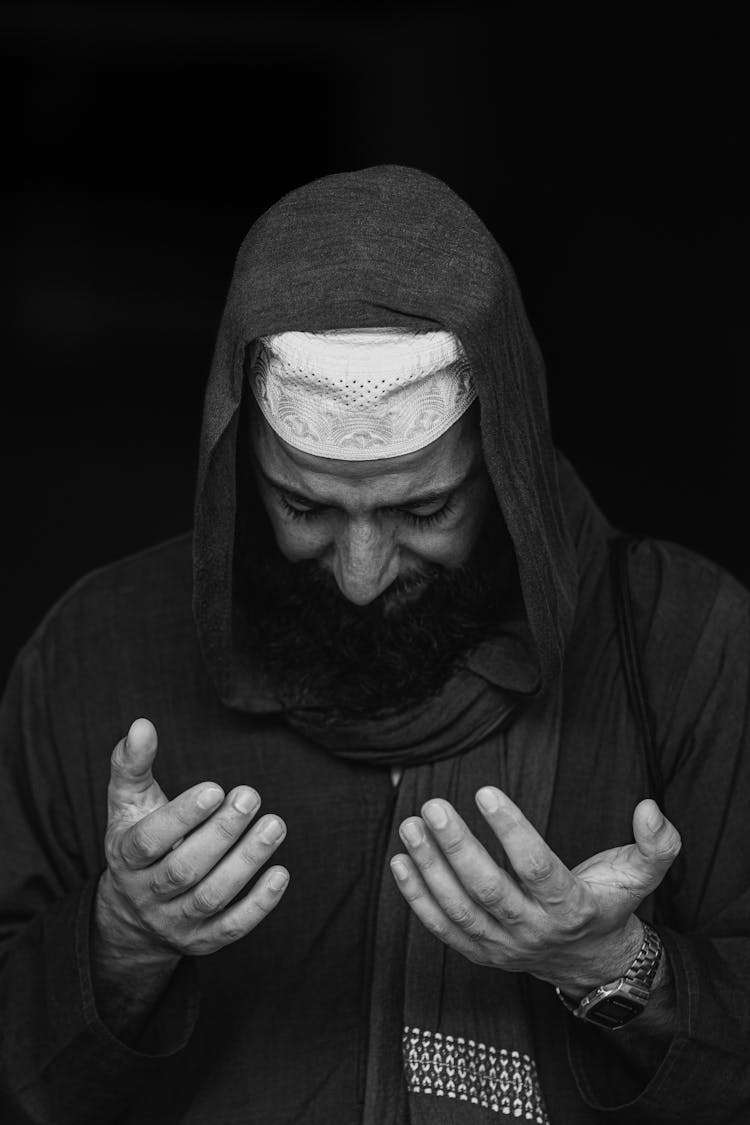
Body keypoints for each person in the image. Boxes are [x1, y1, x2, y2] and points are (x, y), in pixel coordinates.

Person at [1, 165, 748, 1125]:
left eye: (425, 508)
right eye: (304, 505)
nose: (360, 571)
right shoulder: (97, 647)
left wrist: (615, 965)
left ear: (508, 464)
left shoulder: (687, 643)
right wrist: (119, 939)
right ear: (238, 465)